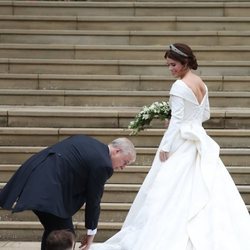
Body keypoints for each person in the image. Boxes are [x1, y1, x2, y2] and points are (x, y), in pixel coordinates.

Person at [89, 43, 250, 250]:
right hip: (198, 138)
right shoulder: (201, 83)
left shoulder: (179, 86)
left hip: (181, 142)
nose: (170, 69)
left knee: (168, 192)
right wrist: (188, 119)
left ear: (185, 63)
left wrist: (165, 146)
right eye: (168, 65)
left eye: (173, 65)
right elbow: (206, 114)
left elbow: (177, 121)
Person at [0, 135, 136, 250]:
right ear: (117, 151)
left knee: (54, 232)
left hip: (35, 173)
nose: (123, 167)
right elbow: (93, 199)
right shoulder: (103, 164)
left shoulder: (88, 141)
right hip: (48, 187)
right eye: (125, 162)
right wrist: (91, 232)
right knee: (64, 236)